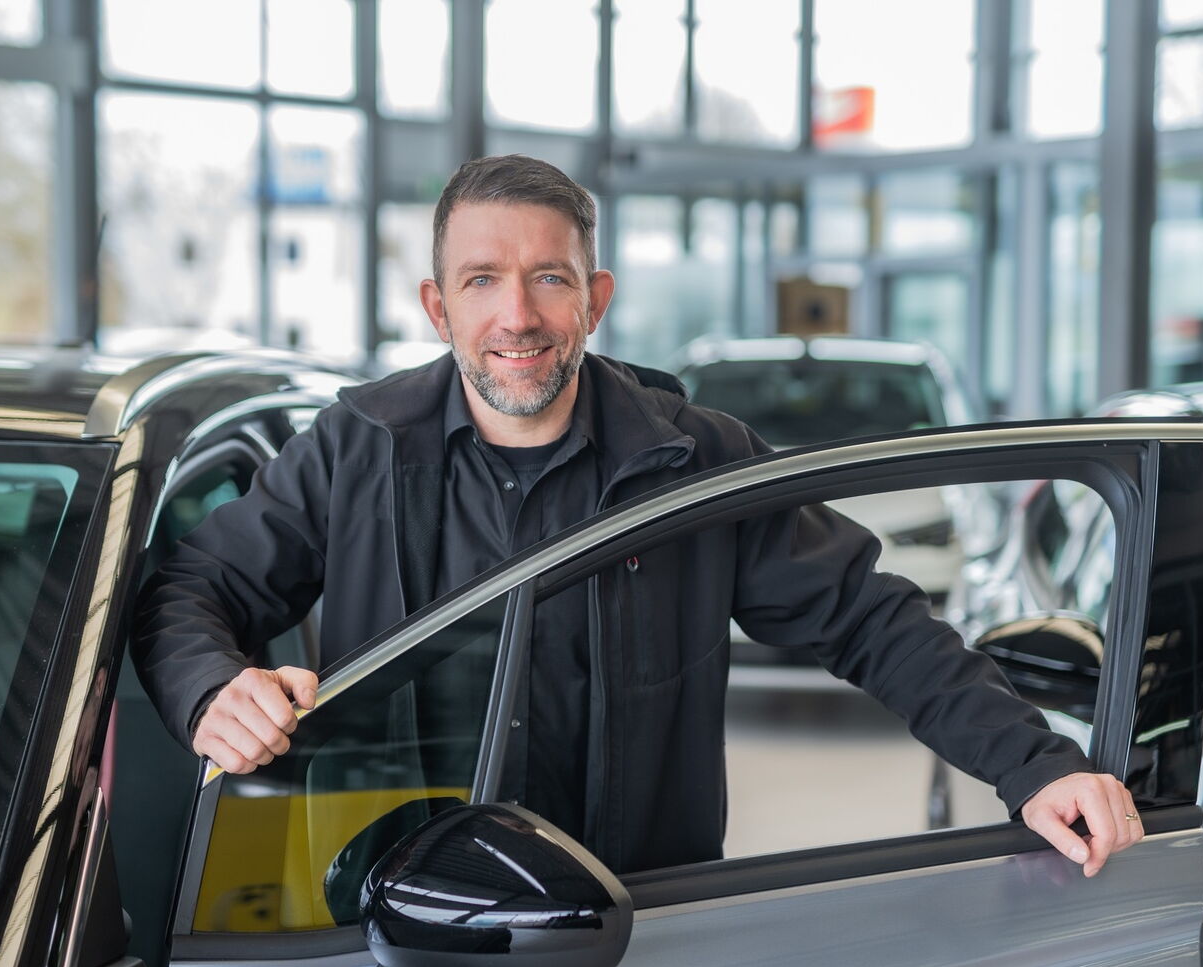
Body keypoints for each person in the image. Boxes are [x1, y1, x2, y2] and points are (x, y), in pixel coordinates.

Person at [132, 154, 1143, 877]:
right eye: (482, 281)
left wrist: (1035, 766)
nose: (517, 316)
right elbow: (191, 588)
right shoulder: (355, 448)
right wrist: (212, 686)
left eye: (549, 279)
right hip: (391, 915)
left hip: (635, 926)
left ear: (596, 299)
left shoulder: (697, 462)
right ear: (439, 308)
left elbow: (871, 619)